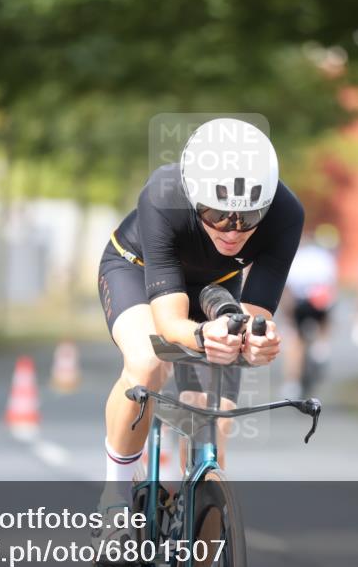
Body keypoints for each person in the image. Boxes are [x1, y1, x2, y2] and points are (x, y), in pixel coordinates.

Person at [95, 118, 304, 543]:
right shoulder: (164, 193)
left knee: (213, 427)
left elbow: (255, 311)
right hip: (137, 272)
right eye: (215, 213)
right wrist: (200, 339)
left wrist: (255, 342)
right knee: (149, 361)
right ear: (193, 197)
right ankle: (114, 497)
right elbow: (170, 322)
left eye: (249, 217)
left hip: (214, 288)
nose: (232, 230)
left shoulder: (286, 214)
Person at [280, 225, 339, 398]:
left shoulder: (292, 256)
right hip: (319, 303)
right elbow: (331, 286)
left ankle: (292, 382)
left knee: (295, 341)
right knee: (325, 321)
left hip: (298, 302)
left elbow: (286, 289)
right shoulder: (324, 257)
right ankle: (322, 347)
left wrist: (288, 316)